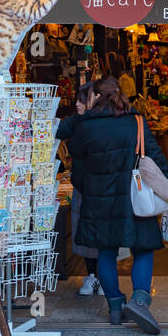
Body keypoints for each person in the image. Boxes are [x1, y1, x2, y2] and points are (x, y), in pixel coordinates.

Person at [56, 75, 168, 334]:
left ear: (96, 98)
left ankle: (115, 306)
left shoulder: (86, 127)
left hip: (100, 201)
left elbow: (78, 171)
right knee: (142, 249)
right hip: (137, 198)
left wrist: (91, 189)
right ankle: (141, 301)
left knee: (106, 252)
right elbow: (156, 160)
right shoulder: (137, 122)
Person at [64, 82, 102, 296]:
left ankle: (105, 277)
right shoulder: (76, 121)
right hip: (83, 184)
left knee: (104, 233)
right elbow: (59, 130)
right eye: (76, 99)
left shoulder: (107, 121)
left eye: (81, 100)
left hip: (104, 186)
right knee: (87, 232)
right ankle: (92, 276)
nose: (77, 104)